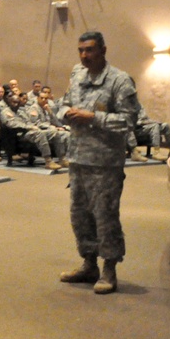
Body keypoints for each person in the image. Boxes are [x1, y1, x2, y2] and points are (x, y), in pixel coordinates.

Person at [58, 31, 139, 295]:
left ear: (103, 50)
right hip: (79, 159)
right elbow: (63, 103)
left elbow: (129, 121)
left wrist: (93, 117)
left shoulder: (119, 80)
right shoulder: (76, 75)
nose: (84, 55)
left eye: (90, 50)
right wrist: (64, 113)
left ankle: (109, 269)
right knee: (80, 216)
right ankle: (89, 263)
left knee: (105, 216)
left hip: (105, 163)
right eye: (80, 50)